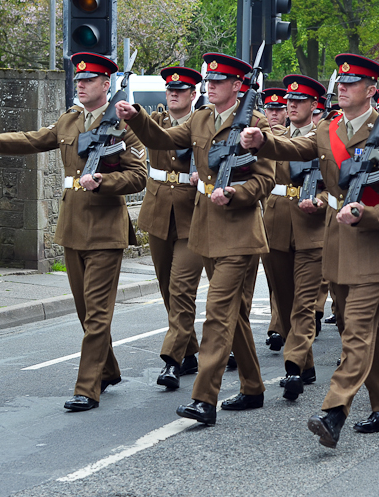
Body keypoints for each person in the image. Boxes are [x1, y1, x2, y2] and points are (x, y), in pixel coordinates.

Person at [240, 53, 379, 448]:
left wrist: (367, 213)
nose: (343, 87)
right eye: (341, 82)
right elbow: (297, 150)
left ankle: (334, 410)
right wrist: (261, 140)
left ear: (372, 91)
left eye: (352, 84)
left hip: (372, 247)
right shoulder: (328, 128)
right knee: (362, 331)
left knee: (355, 333)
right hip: (337, 247)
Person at [0, 52, 147, 411]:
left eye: (89, 80)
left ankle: (87, 387)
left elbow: (138, 176)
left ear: (106, 84)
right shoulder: (70, 121)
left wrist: (104, 181)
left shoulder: (125, 126)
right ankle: (107, 369)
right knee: (84, 312)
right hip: (72, 227)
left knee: (97, 314)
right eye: (78, 79)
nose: (81, 84)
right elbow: (33, 139)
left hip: (106, 231)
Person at [116, 52, 275, 425]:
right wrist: (136, 117)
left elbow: (265, 179)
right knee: (233, 315)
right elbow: (164, 137)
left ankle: (204, 399)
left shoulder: (255, 123)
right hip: (203, 230)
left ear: (238, 86)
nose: (212, 85)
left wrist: (236, 193)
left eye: (220, 81)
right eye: (210, 80)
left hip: (239, 233)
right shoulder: (201, 118)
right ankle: (252, 387)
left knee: (217, 313)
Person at [262, 74, 327, 400]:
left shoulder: (326, 137)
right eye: (289, 101)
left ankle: (292, 368)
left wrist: (323, 202)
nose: (291, 105)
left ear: (314, 105)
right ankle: (307, 362)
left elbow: (339, 184)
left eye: (299, 101)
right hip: (275, 225)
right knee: (284, 303)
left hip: (311, 229)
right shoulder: (276, 137)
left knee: (303, 305)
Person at [139, 66, 204, 390]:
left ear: (193, 94)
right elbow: (141, 132)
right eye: (170, 89)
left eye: (181, 90)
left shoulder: (204, 125)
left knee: (181, 289)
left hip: (194, 216)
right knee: (167, 288)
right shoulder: (158, 124)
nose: (173, 93)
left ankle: (171, 361)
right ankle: (190, 350)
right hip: (159, 214)